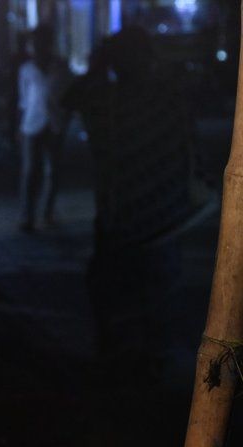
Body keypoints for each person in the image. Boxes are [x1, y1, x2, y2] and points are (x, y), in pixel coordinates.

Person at [64, 27, 196, 369]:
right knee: (157, 295)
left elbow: (70, 98)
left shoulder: (104, 101)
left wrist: (97, 64)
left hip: (119, 219)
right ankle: (152, 356)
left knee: (113, 292)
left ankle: (119, 353)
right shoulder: (169, 98)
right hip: (165, 217)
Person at [17, 26, 71, 232]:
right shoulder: (26, 69)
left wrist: (65, 118)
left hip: (55, 123)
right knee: (30, 170)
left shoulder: (61, 67)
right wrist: (19, 126)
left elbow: (68, 95)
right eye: (34, 43)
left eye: (41, 42)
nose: (37, 47)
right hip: (32, 123)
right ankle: (27, 216)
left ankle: (47, 212)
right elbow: (23, 100)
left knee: (53, 170)